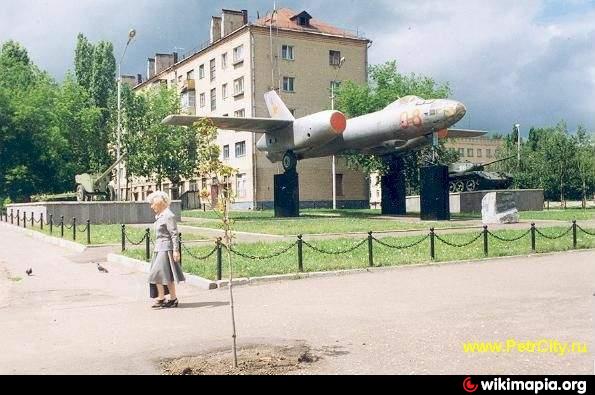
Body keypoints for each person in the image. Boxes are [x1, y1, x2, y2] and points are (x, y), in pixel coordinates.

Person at [146, 191, 185, 309]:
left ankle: (162, 298)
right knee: (165, 275)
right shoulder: (160, 216)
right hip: (159, 249)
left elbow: (174, 234)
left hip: (166, 249)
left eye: (153, 204)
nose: (152, 206)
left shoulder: (168, 215)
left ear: (160, 203)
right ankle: (171, 299)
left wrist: (176, 250)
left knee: (157, 274)